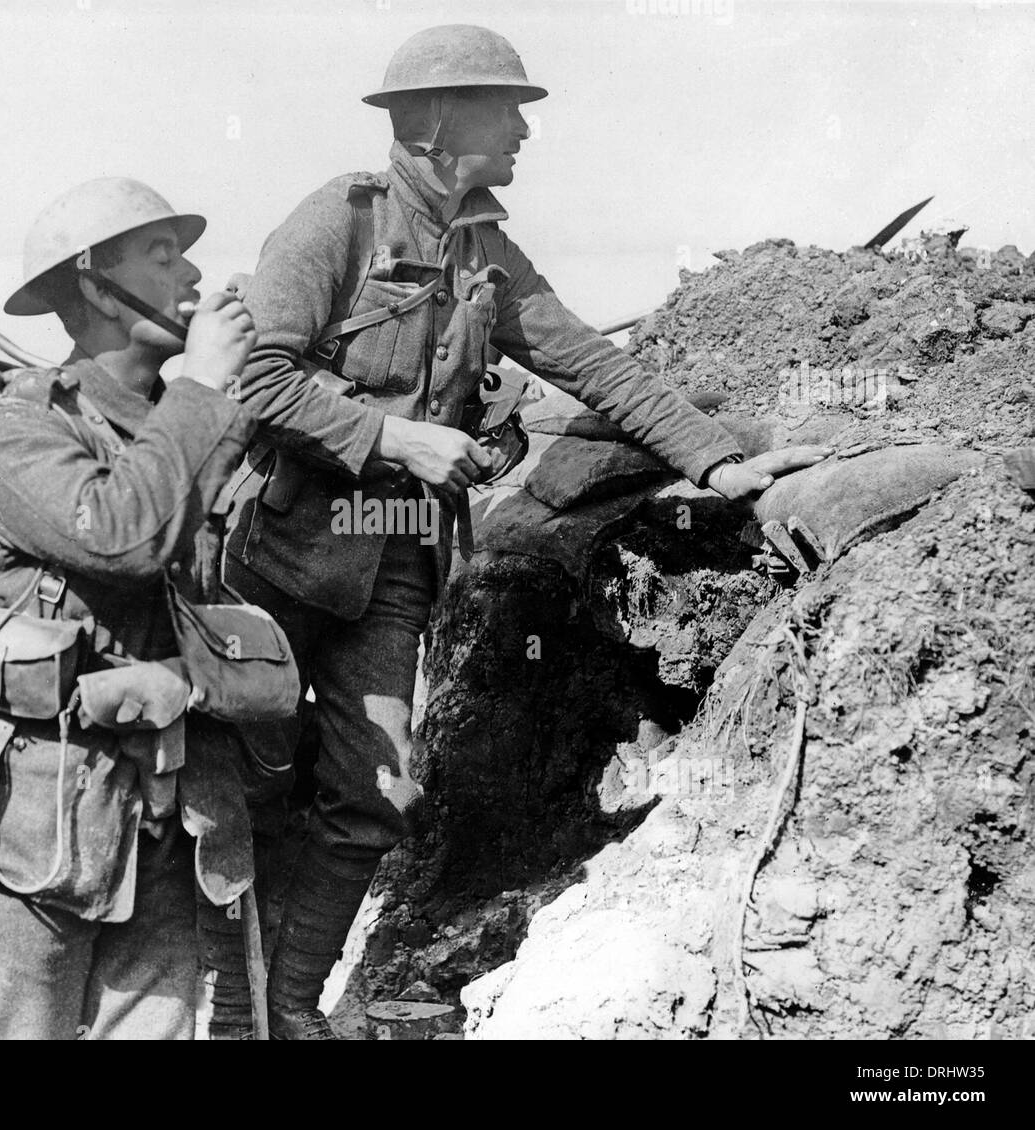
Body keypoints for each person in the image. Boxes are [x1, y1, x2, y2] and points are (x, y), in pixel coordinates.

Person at [222, 25, 831, 1039]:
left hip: (394, 570)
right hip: (283, 557)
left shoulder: (481, 252)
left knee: (375, 792)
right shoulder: (337, 224)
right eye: (503, 111)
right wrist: (392, 437)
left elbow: (592, 361)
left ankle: (288, 1009)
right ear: (428, 122)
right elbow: (257, 374)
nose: (522, 131)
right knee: (246, 786)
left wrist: (719, 462)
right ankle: (223, 1012)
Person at [0, 176, 260, 1039]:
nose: (190, 274)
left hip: (165, 815)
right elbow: (121, 535)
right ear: (92, 283)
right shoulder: (21, 429)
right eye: (161, 255)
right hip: (30, 821)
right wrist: (204, 391)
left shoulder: (189, 424)